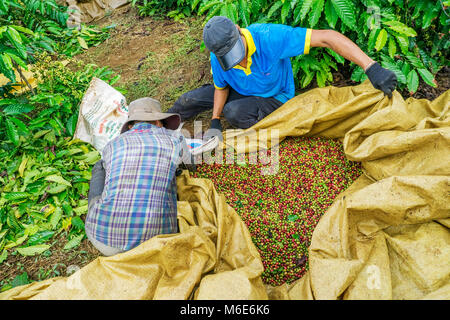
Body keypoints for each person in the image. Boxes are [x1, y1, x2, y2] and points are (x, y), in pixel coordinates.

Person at [167, 16, 397, 139]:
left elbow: (327, 37)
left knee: (235, 112)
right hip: (243, 89)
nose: (236, 61)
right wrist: (215, 120)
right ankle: (158, 130)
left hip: (274, 94)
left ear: (239, 30)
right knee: (189, 100)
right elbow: (221, 87)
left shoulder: (270, 37)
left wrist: (371, 67)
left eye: (236, 53)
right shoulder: (220, 58)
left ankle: (272, 127)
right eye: (229, 58)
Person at [85, 97, 193, 256]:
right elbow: (191, 166)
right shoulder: (175, 139)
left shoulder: (113, 144)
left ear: (130, 125)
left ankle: (102, 211)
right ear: (158, 122)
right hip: (156, 242)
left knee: (100, 166)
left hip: (103, 239)